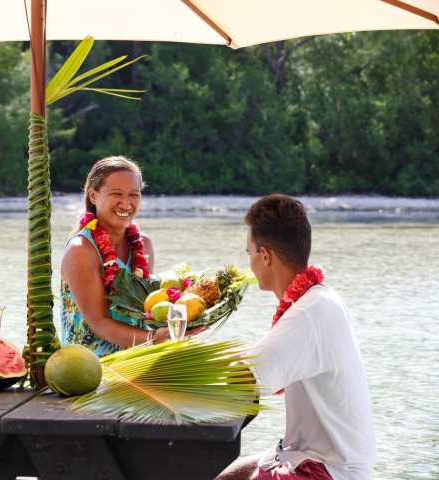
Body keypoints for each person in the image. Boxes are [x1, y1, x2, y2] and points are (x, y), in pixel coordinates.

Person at [216, 194, 375, 480]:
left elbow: (243, 377)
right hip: (303, 455)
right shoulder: (320, 299)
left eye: (248, 253)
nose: (249, 262)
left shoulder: (309, 313)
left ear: (265, 256)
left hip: (329, 470)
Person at [61, 156, 199, 356]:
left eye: (134, 195)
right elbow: (99, 322)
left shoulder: (144, 245)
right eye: (116, 194)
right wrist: (155, 338)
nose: (126, 204)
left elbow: (145, 310)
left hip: (138, 357)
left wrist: (189, 308)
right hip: (88, 370)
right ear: (93, 195)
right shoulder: (81, 250)